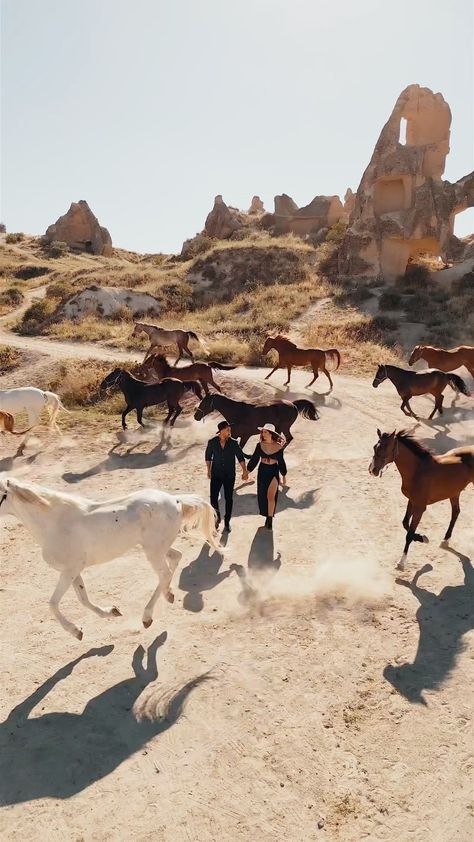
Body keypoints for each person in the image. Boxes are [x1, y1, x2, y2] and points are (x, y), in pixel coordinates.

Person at [205, 420, 248, 532]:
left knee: (229, 498)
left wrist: (245, 471)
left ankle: (227, 521)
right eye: (227, 429)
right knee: (213, 498)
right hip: (216, 474)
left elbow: (240, 457)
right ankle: (216, 518)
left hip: (229, 475)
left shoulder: (234, 443)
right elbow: (208, 457)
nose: (230, 430)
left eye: (230, 429)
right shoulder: (212, 442)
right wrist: (208, 471)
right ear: (221, 430)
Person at [246, 423, 287, 530]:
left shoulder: (278, 447)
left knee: (271, 496)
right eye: (262, 432)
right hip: (263, 471)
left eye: (265, 432)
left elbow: (281, 462)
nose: (263, 434)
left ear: (271, 434)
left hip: (273, 471)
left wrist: (284, 475)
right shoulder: (259, 445)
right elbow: (254, 459)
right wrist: (247, 471)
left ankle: (270, 520)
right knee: (263, 496)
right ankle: (267, 515)